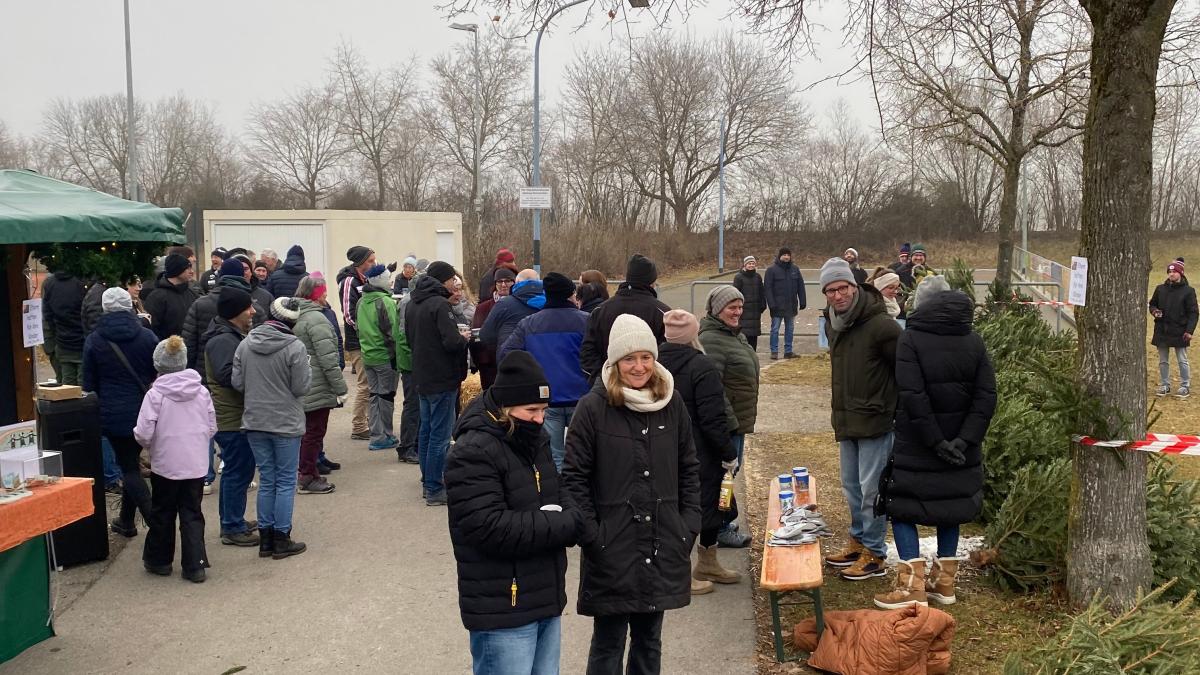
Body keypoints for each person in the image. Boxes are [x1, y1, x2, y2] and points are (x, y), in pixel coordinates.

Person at [562, 314, 700, 674]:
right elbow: (574, 478)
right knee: (608, 643)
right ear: (614, 361)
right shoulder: (592, 409)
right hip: (612, 548)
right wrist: (593, 535)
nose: (638, 367)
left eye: (645, 357)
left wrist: (687, 527)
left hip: (663, 542)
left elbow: (689, 468)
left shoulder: (672, 404)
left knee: (649, 642)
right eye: (629, 359)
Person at [445, 351, 582, 675]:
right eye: (532, 410)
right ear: (506, 407)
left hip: (544, 596)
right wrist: (563, 522)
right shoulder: (472, 450)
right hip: (503, 607)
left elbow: (559, 490)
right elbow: (488, 528)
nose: (539, 419)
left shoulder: (534, 437)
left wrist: (573, 513)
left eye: (544, 410)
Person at [874, 279, 997, 609]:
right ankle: (944, 586)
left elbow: (913, 395)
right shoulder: (974, 341)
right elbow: (986, 397)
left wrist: (935, 441)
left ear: (922, 305)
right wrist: (963, 440)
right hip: (962, 449)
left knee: (901, 510)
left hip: (918, 444)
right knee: (950, 510)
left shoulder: (910, 339)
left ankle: (910, 589)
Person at [819, 257, 902, 581]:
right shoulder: (834, 323)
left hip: (876, 421)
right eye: (831, 290)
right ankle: (857, 540)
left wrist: (894, 410)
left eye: (843, 288)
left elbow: (904, 371)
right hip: (847, 419)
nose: (838, 295)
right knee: (852, 487)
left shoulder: (882, 326)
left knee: (872, 491)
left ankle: (875, 553)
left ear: (855, 287)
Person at [657, 310, 740, 596]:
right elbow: (713, 418)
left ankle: (708, 563)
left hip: (663, 448)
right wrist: (728, 453)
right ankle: (681, 573)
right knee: (704, 508)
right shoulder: (701, 366)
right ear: (693, 334)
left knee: (693, 506)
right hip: (699, 450)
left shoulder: (654, 363)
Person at [233, 297, 312, 560]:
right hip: (286, 421)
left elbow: (238, 382)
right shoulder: (295, 347)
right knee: (286, 480)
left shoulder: (245, 344)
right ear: (292, 321)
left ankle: (265, 539)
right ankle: (281, 537)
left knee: (267, 479)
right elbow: (301, 387)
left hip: (255, 419)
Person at [134, 336, 216, 583]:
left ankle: (159, 560)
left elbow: (144, 430)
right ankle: (195, 565)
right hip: (195, 462)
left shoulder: (155, 394)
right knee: (192, 512)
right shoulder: (200, 391)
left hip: (166, 463)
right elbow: (211, 425)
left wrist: (147, 445)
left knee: (163, 511)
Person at [83, 287, 159, 538]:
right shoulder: (147, 337)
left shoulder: (95, 340)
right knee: (132, 464)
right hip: (144, 409)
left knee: (128, 468)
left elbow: (89, 384)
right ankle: (126, 521)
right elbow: (157, 372)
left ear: (105, 308)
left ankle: (156, 525)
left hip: (112, 413)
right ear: (130, 306)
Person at [498, 272, 589, 472]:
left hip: (546, 399)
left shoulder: (529, 323)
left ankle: (557, 499)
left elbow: (505, 354)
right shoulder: (587, 321)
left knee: (552, 455)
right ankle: (577, 499)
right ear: (570, 294)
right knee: (581, 455)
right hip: (581, 397)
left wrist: (529, 374)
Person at [698, 286, 760, 549]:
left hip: (738, 422)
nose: (738, 312)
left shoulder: (733, 335)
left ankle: (722, 521)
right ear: (717, 310)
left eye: (740, 306)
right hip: (728, 425)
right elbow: (714, 389)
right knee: (723, 477)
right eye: (731, 307)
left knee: (729, 476)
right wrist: (731, 422)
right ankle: (720, 527)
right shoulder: (712, 339)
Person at [405, 261, 469, 506]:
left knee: (427, 430)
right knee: (440, 436)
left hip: (422, 375)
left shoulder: (413, 303)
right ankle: (433, 487)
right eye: (452, 279)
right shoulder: (440, 305)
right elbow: (451, 342)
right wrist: (463, 337)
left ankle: (426, 481)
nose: (454, 284)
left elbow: (410, 339)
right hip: (442, 377)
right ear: (442, 281)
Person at [202, 286, 261, 548]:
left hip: (233, 416)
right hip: (231, 418)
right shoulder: (223, 340)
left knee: (238, 470)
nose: (253, 311)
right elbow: (229, 378)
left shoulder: (228, 336)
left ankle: (233, 520)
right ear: (235, 312)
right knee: (238, 471)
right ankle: (232, 526)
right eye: (248, 307)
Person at [579, 254, 671, 381]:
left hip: (613, 387)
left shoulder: (600, 310)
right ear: (652, 281)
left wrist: (601, 380)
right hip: (641, 389)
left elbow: (587, 353)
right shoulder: (663, 313)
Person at [294, 276, 347, 493]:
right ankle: (307, 476)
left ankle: (304, 471)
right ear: (316, 295)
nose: (326, 296)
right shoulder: (316, 319)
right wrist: (341, 388)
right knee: (313, 433)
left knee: (304, 432)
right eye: (324, 292)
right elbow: (328, 359)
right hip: (316, 385)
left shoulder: (297, 314)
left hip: (301, 382)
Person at [358, 264, 412, 453]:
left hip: (368, 356)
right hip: (385, 357)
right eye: (388, 278)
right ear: (380, 281)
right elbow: (394, 332)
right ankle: (384, 436)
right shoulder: (386, 302)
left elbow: (359, 327)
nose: (391, 282)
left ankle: (376, 433)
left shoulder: (362, 301)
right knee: (386, 396)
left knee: (374, 395)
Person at [183, 258, 267, 375]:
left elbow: (189, 344)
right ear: (242, 276)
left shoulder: (199, 304)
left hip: (203, 374)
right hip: (241, 376)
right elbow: (263, 346)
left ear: (221, 276)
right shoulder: (254, 308)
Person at [339, 245, 377, 441]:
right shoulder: (349, 282)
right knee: (365, 384)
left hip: (369, 340)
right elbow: (348, 314)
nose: (374, 263)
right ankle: (358, 425)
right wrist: (366, 331)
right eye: (370, 261)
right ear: (361, 263)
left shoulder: (367, 280)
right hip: (358, 341)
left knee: (371, 384)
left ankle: (371, 422)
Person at [1149, 258, 1196, 399]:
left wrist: (1189, 331)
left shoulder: (1188, 291)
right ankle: (1165, 385)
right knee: (1163, 360)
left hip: (1180, 331)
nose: (1171, 274)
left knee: (1182, 359)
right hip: (1162, 330)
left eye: (1174, 271)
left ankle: (1185, 385)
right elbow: (1152, 304)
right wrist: (1155, 311)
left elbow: (1193, 312)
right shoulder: (1160, 289)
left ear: (1180, 273)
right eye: (1169, 271)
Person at [471, 267, 517, 390]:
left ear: (514, 283)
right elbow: (476, 336)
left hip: (512, 361)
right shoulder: (483, 307)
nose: (503, 285)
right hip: (489, 365)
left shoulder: (519, 305)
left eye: (507, 281)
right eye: (499, 281)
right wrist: (480, 361)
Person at [482, 270, 544, 359]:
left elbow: (485, 335)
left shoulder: (504, 304)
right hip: (542, 360)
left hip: (511, 360)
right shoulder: (550, 303)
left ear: (516, 282)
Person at [42, 267, 87, 384]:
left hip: (63, 342)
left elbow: (48, 315)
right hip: (82, 342)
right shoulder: (81, 283)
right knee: (84, 387)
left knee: (67, 386)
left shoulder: (49, 283)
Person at [763, 247, 807, 360]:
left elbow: (800, 286)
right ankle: (774, 351)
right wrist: (771, 304)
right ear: (779, 256)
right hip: (777, 306)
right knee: (775, 329)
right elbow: (767, 288)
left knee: (790, 329)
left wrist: (802, 301)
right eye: (784, 255)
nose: (786, 257)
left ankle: (788, 351)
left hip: (791, 305)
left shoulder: (795, 269)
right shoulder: (771, 270)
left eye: (788, 255)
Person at [144, 252, 199, 341]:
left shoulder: (193, 294)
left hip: (190, 350)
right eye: (187, 268)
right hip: (168, 350)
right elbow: (151, 327)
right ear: (177, 270)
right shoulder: (156, 297)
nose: (192, 271)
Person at [732, 255, 765, 350]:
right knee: (744, 335)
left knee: (754, 337)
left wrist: (762, 305)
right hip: (743, 312)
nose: (751, 265)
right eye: (749, 263)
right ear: (745, 265)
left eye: (753, 263)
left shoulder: (758, 277)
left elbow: (761, 292)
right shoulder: (739, 277)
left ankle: (753, 355)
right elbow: (735, 294)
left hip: (755, 312)